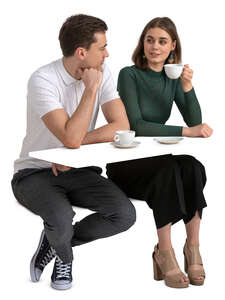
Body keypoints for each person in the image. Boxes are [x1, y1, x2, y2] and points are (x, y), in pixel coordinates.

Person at [11, 14, 136, 291]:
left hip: (77, 168)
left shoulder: (105, 71)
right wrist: (90, 90)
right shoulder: (42, 79)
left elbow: (121, 125)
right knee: (61, 219)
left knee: (124, 215)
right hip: (34, 172)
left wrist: (70, 151)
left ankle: (55, 242)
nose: (107, 53)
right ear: (82, 52)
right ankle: (64, 255)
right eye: (102, 48)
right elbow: (69, 136)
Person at [106, 17, 212, 288]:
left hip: (156, 160)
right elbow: (137, 126)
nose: (154, 46)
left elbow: (194, 121)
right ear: (143, 44)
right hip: (126, 163)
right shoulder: (129, 74)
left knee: (192, 166)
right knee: (167, 169)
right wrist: (188, 132)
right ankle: (164, 251)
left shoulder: (172, 77)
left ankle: (193, 247)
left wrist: (187, 87)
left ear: (173, 46)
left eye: (162, 41)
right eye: (149, 40)